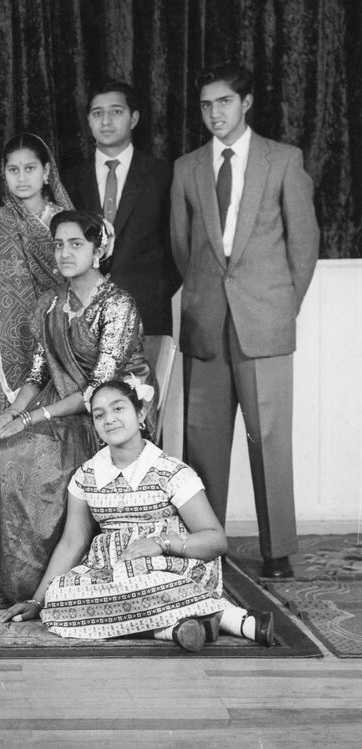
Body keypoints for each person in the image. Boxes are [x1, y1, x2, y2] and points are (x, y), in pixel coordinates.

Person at [0, 209, 158, 611]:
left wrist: (30, 419)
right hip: (60, 411)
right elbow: (37, 374)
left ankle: (30, 584)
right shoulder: (50, 303)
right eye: (58, 245)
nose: (66, 253)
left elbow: (97, 391)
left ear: (98, 249)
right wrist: (9, 414)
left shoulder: (117, 304)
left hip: (104, 418)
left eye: (76, 244)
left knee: (22, 459)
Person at [170, 62, 320, 579]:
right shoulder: (187, 167)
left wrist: (280, 306)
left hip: (265, 322)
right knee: (202, 440)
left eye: (225, 102)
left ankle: (277, 550)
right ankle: (207, 547)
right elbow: (181, 246)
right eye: (207, 105)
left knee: (269, 436)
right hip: (206, 321)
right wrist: (206, 296)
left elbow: (304, 246)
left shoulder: (283, 159)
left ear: (246, 103)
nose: (215, 113)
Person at [0, 379, 274, 652]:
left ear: (140, 414)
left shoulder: (171, 471)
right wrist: (38, 601)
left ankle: (227, 617)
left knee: (150, 582)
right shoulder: (86, 476)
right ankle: (178, 627)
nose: (109, 419)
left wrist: (161, 544)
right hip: (112, 571)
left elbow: (216, 540)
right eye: (99, 415)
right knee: (60, 595)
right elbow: (73, 541)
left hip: (168, 567)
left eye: (118, 409)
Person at [64, 81, 180, 336]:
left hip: (146, 312)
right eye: (97, 113)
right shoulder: (69, 180)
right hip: (81, 314)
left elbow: (178, 251)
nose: (106, 121)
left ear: (134, 118)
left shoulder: (163, 175)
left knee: (143, 378)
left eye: (116, 111)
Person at [0, 133, 73, 419]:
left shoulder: (67, 223)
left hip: (58, 340)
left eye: (30, 168)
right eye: (13, 170)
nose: (21, 177)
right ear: (3, 174)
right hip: (5, 345)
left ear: (46, 172)